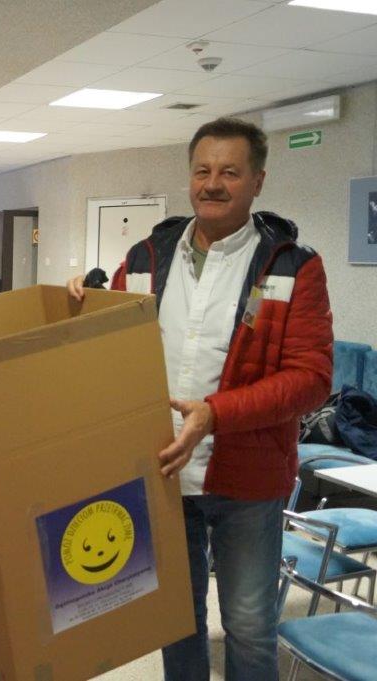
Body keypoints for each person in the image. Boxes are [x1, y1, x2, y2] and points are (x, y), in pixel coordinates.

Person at [67, 117, 333, 681]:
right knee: (176, 622)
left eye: (229, 173)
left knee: (249, 626)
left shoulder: (292, 264)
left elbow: (311, 378)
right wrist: (78, 303)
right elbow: (110, 342)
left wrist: (215, 415)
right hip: (164, 471)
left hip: (248, 478)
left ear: (257, 180)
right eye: (202, 171)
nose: (212, 184)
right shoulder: (146, 256)